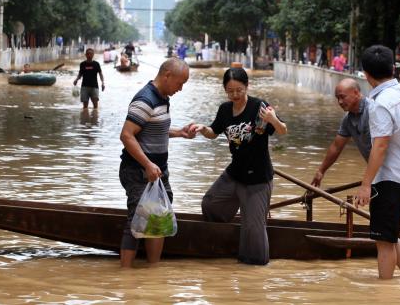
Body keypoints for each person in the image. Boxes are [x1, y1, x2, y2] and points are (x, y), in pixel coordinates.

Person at [192, 67, 287, 265]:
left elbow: (283, 131)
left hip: (258, 178)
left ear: (247, 87)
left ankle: (254, 273)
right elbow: (214, 132)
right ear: (225, 90)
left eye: (239, 90)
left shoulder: (259, 107)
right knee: (210, 203)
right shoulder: (225, 109)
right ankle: (227, 237)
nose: (235, 95)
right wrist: (203, 129)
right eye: (230, 91)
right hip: (235, 173)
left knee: (254, 230)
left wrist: (272, 119)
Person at [119, 58, 196, 268]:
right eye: (180, 83)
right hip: (138, 171)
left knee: (159, 219)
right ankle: (124, 274)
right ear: (167, 75)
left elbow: (153, 130)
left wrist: (179, 133)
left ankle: (153, 272)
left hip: (158, 172)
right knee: (137, 219)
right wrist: (147, 164)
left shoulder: (162, 98)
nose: (180, 89)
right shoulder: (145, 99)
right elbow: (127, 136)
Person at [355, 45, 400, 279]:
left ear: (366, 74)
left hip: (390, 179)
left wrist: (365, 185)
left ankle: (384, 292)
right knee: (390, 234)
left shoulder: (379, 103)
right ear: (393, 67)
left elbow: (380, 146)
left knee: (383, 242)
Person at [311, 78, 371, 188]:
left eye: (343, 97)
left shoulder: (372, 111)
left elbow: (381, 147)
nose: (340, 102)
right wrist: (321, 171)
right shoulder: (348, 119)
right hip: (377, 173)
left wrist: (368, 182)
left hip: (392, 173)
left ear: (356, 93)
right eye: (337, 98)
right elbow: (336, 147)